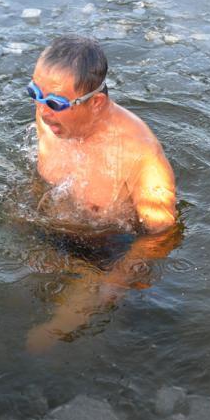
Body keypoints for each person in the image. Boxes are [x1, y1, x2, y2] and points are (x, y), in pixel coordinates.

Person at [24, 35, 181, 352]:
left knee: (42, 343)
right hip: (52, 237)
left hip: (106, 255)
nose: (42, 110)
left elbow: (163, 235)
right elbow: (41, 182)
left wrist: (115, 282)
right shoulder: (51, 118)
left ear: (95, 102)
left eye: (55, 102)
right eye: (35, 94)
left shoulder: (141, 155)